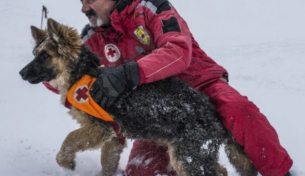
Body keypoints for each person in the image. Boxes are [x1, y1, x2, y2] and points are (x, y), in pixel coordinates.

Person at [45, 0, 293, 175]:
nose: (84, 8)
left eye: (90, 0)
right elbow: (68, 73)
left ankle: (279, 172)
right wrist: (45, 68)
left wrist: (129, 73)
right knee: (142, 171)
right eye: (81, 1)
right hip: (159, 110)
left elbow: (178, 50)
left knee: (238, 110)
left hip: (200, 84)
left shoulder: (151, 8)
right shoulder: (93, 39)